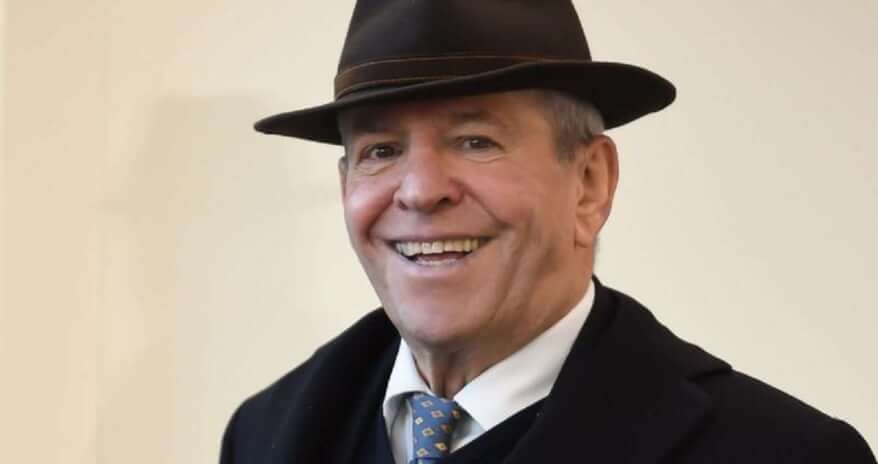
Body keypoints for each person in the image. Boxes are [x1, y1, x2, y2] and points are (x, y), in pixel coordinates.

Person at [220, 1, 876, 462]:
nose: (419, 191)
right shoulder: (264, 436)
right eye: (381, 151)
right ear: (346, 187)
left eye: (475, 140)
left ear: (589, 182)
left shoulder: (779, 453)